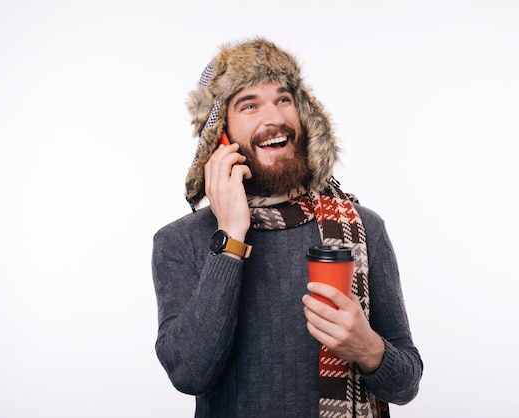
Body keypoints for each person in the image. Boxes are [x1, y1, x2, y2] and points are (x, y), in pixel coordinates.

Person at [151, 37, 423, 418]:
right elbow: (189, 374)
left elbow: (407, 383)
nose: (274, 118)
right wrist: (230, 235)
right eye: (249, 105)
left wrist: (367, 348)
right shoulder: (180, 241)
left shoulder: (361, 227)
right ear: (221, 136)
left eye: (283, 99)